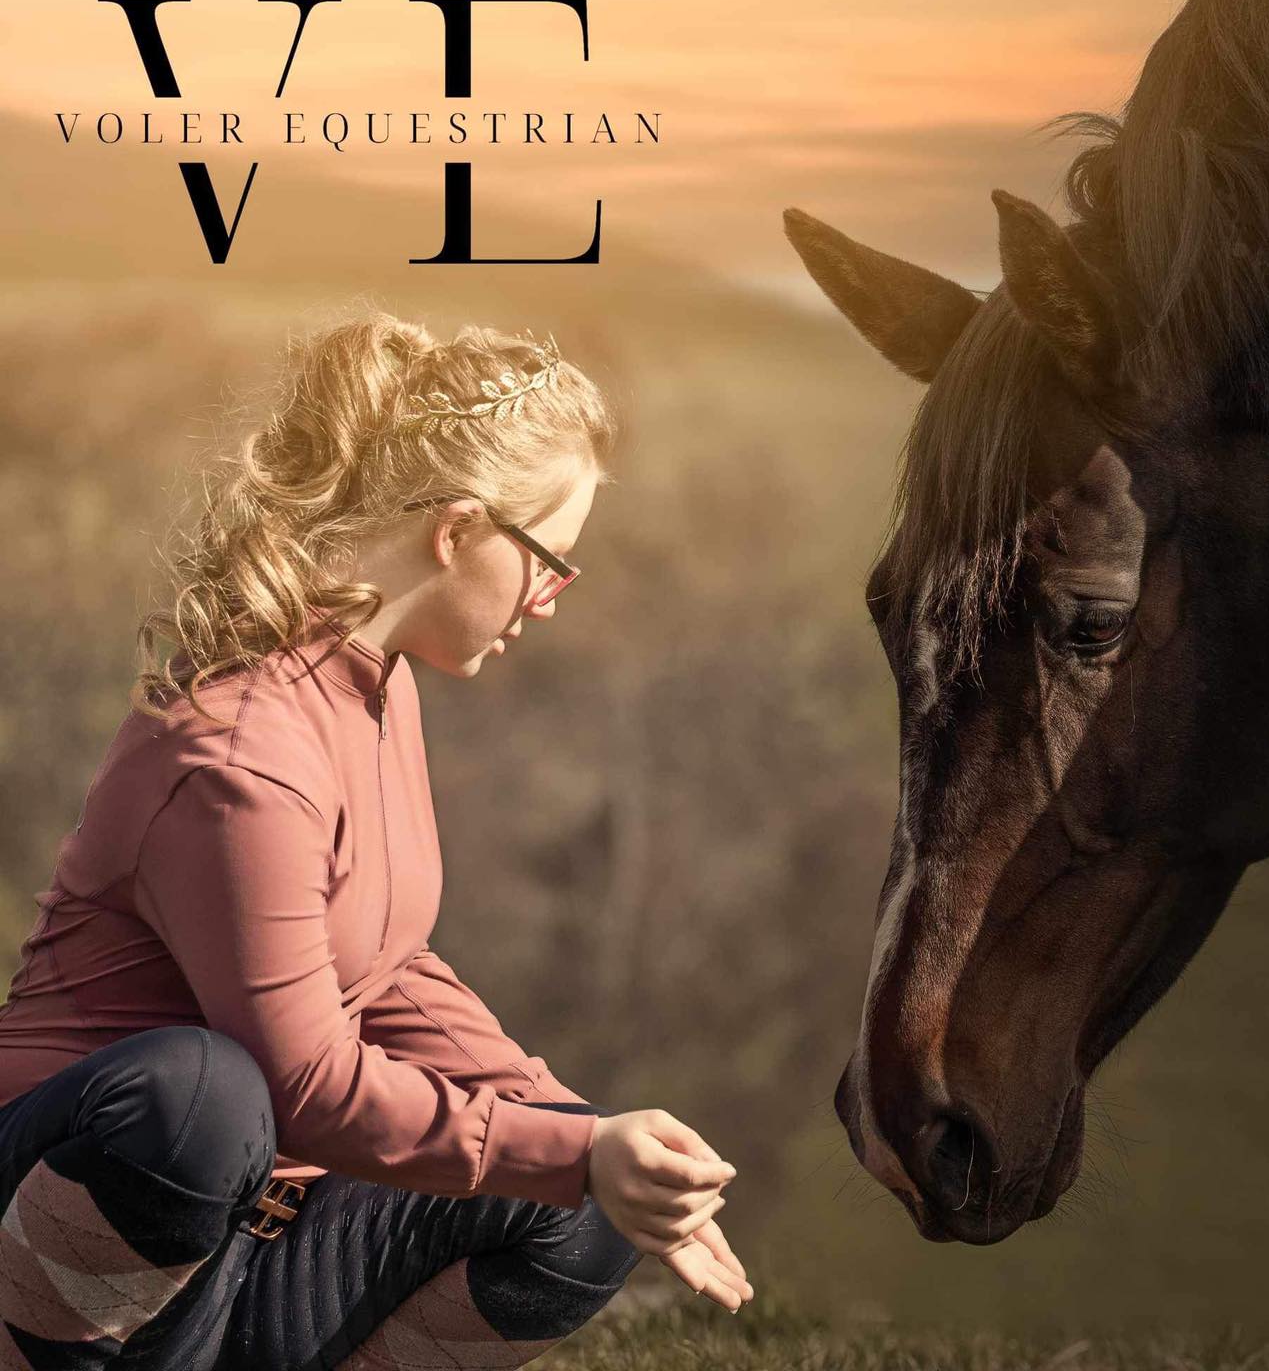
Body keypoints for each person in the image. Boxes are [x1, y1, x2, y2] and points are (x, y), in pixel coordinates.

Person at [0, 312, 753, 1370]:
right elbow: (302, 1082)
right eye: (549, 560)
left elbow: (392, 967)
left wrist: (591, 1142)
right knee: (200, 1098)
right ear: (457, 531)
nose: (551, 598)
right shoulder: (238, 757)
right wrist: (577, 1151)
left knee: (576, 1207)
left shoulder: (377, 689)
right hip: (91, 1197)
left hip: (254, 1238)